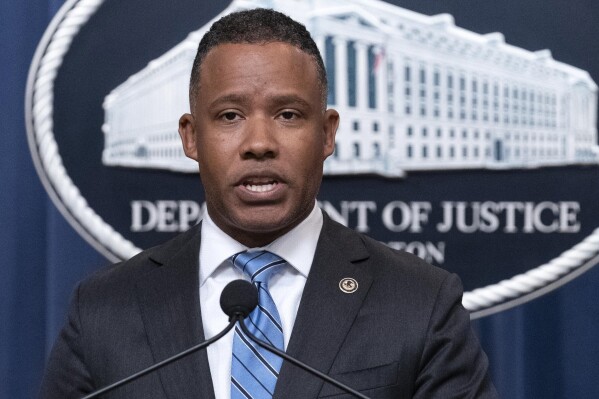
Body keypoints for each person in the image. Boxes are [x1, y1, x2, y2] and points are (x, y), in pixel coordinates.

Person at [39, 8, 498, 399]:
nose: (259, 143)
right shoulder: (104, 310)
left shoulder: (420, 304)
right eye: (230, 116)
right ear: (191, 136)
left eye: (288, 115)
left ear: (328, 133)